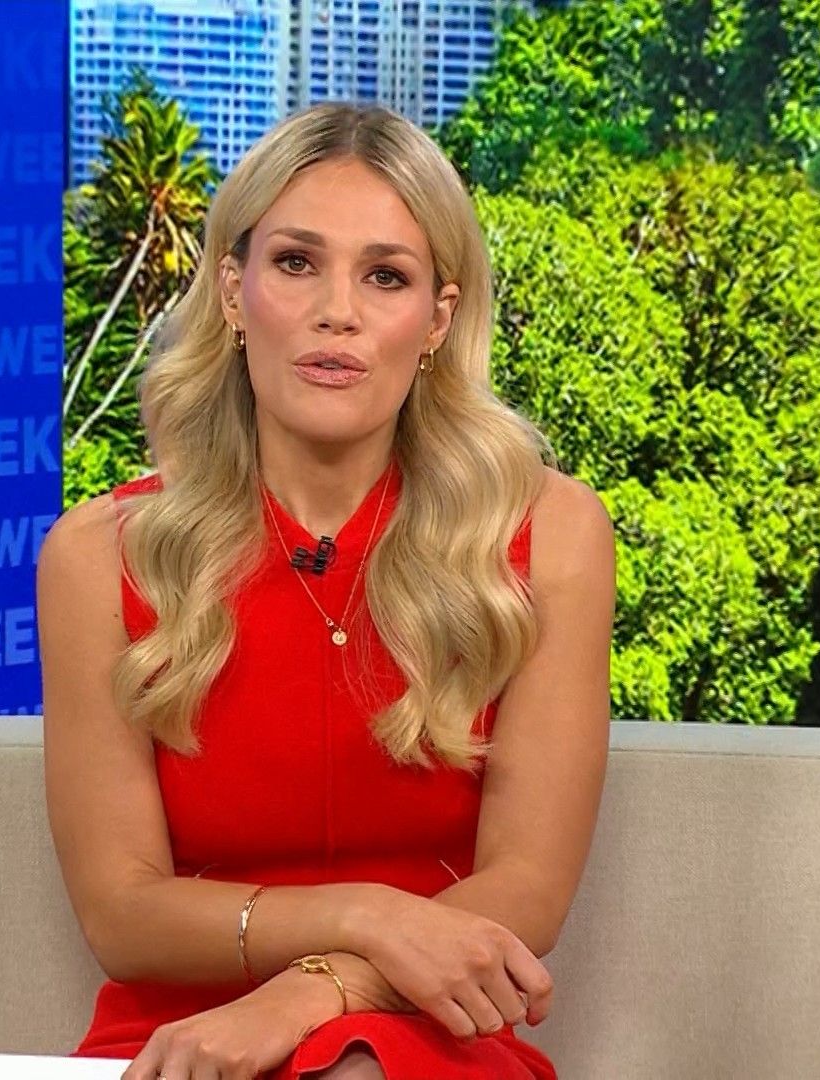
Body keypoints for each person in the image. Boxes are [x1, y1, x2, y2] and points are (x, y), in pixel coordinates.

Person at [37, 101, 616, 1080]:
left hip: (428, 1033)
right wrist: (367, 917)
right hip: (177, 1039)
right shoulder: (100, 556)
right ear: (234, 291)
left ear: (437, 319)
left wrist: (317, 991)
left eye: (385, 276)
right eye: (296, 262)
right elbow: (121, 913)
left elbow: (529, 888)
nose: (336, 311)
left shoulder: (550, 533)